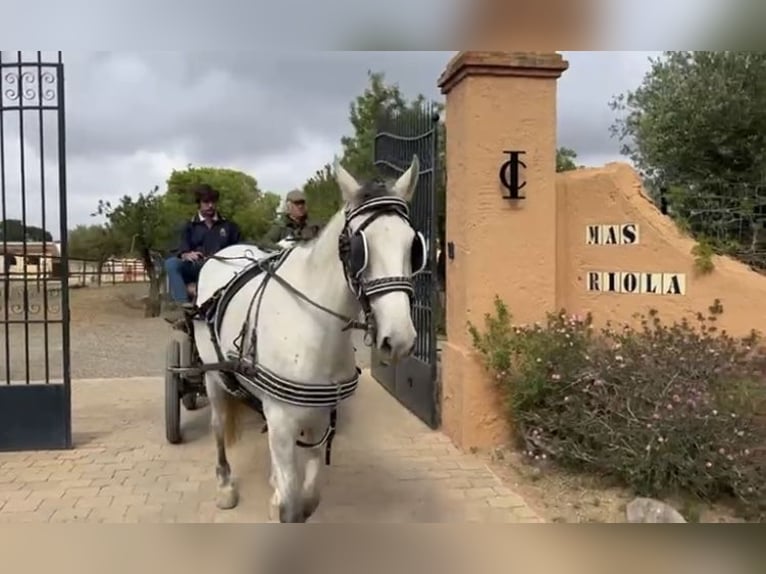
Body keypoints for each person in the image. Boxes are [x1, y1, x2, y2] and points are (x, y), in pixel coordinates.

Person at [164, 183, 241, 319]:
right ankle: (184, 307)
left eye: (213, 202)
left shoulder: (229, 226)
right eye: (206, 202)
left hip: (222, 268)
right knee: (171, 263)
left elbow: (239, 248)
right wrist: (186, 254)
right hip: (198, 266)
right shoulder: (189, 226)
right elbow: (181, 247)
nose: (210, 205)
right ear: (198, 204)